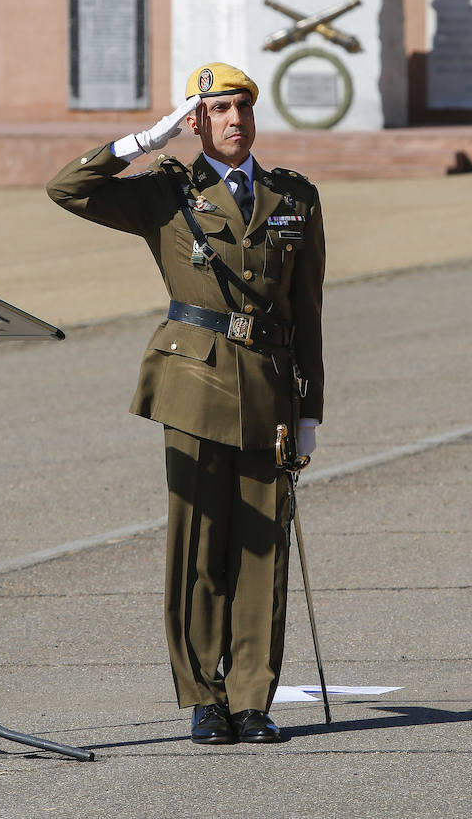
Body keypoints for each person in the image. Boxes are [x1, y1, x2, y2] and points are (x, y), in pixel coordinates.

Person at [46, 62, 325, 745]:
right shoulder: (169, 192)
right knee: (200, 542)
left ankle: (252, 695)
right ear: (197, 121)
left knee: (264, 549)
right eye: (219, 109)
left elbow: (308, 310)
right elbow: (67, 189)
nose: (234, 119)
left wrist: (311, 409)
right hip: (193, 380)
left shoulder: (294, 196)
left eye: (242, 107)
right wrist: (146, 139)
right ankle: (204, 693)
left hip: (269, 384)